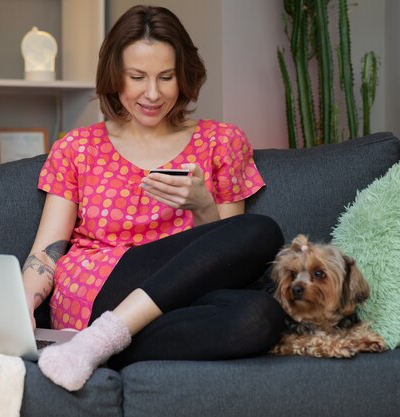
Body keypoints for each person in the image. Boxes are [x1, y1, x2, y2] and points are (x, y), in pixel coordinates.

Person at [21, 5, 285, 391]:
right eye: (136, 77)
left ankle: (96, 345)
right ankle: (98, 336)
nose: (152, 93)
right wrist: (23, 306)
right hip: (98, 286)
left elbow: (231, 257)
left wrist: (202, 205)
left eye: (166, 77)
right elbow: (47, 251)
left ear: (184, 76)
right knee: (263, 229)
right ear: (115, 76)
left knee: (260, 315)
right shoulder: (77, 147)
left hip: (177, 301)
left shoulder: (221, 141)